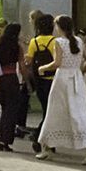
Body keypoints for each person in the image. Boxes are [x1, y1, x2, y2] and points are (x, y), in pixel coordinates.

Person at [35, 15, 86, 164]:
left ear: (59, 27)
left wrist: (42, 68)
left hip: (62, 78)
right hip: (76, 78)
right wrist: (81, 70)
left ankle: (46, 146)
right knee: (79, 112)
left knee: (55, 111)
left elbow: (57, 63)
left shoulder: (59, 42)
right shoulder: (79, 41)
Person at [24, 13, 58, 153]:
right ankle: (40, 136)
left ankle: (45, 139)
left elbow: (29, 61)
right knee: (50, 112)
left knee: (46, 110)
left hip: (39, 80)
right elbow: (57, 62)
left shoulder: (34, 42)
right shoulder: (55, 41)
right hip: (52, 81)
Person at [0, 22, 25, 151]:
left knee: (5, 108)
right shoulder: (17, 47)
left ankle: (0, 133)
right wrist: (27, 81)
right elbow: (22, 66)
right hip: (11, 79)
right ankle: (4, 139)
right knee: (11, 110)